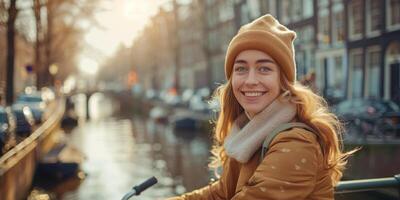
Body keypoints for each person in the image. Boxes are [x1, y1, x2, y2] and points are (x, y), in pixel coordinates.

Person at [166, 14, 355, 200]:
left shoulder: (296, 143)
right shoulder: (247, 133)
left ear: (283, 81)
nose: (250, 80)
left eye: (264, 68)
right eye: (241, 68)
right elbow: (221, 193)